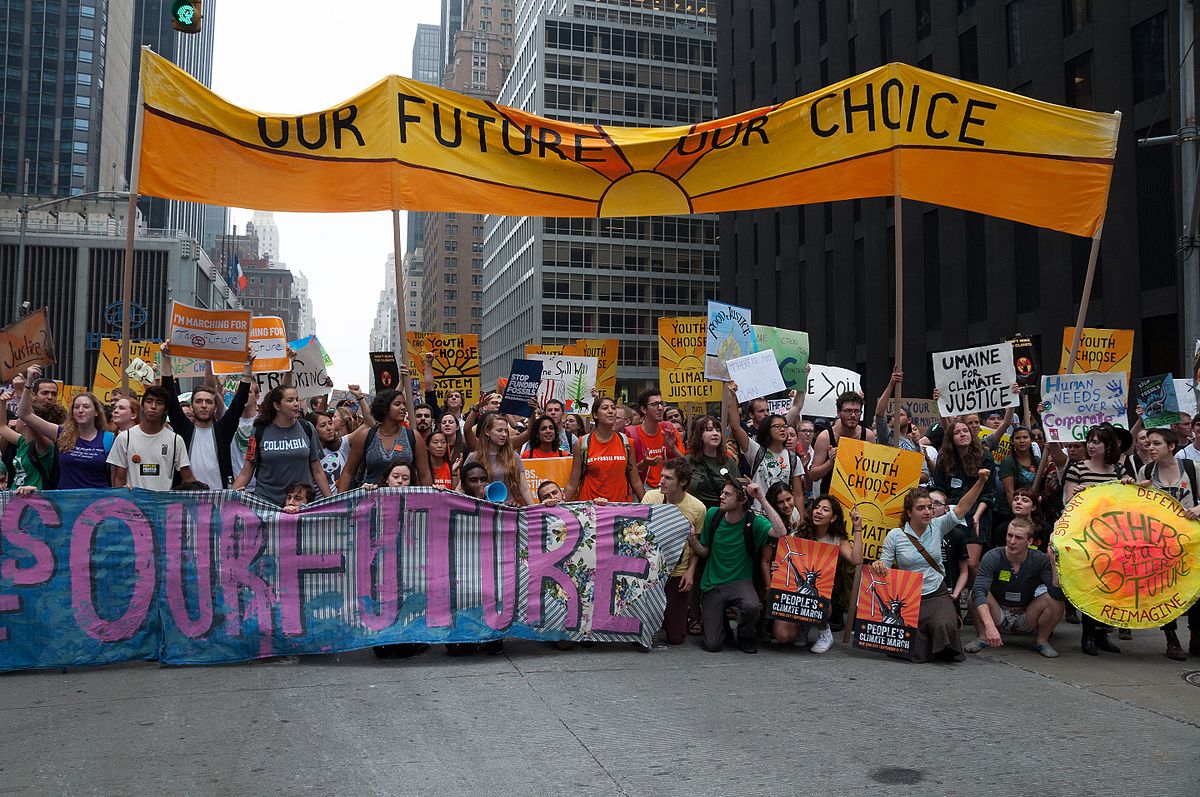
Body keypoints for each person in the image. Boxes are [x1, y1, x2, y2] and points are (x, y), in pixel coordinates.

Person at [872, 468, 992, 663]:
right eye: (921, 508)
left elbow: (963, 507)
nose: (927, 511)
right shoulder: (895, 535)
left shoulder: (938, 526)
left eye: (929, 507)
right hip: (908, 596)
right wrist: (878, 565)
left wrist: (980, 481)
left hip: (936, 592)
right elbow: (884, 567)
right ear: (909, 512)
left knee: (945, 625)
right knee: (913, 640)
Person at [687, 476, 786, 654]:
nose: (721, 497)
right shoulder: (713, 514)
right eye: (722, 492)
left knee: (751, 606)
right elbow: (704, 552)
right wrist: (693, 539)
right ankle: (721, 625)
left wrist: (762, 498)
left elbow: (780, 532)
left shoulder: (753, 521)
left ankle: (745, 635)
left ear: (742, 500)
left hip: (740, 582)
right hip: (713, 584)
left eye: (728, 494)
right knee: (713, 645)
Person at [764, 492, 863, 653]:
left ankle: (825, 633)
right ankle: (804, 625)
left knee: (820, 601)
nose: (818, 512)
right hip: (794, 595)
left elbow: (856, 559)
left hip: (822, 598)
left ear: (833, 518)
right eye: (817, 507)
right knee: (782, 637)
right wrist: (777, 566)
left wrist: (857, 527)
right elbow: (785, 562)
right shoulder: (798, 534)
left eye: (825, 510)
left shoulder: (837, 539)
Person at [1132, 428, 1200, 659]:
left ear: (1171, 447)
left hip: (1191, 542)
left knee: (1195, 590)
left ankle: (1196, 635)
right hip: (1159, 544)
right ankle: (1171, 639)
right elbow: (1137, 508)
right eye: (1148, 444)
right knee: (1167, 591)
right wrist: (1136, 490)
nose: (1150, 448)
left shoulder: (1192, 468)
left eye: (1156, 444)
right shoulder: (1146, 470)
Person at [1062, 423, 1130, 655]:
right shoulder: (1077, 468)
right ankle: (1088, 634)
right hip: (1087, 536)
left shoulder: (1118, 471)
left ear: (1108, 445)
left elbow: (1127, 499)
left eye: (1097, 442)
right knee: (1091, 584)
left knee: (1110, 585)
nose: (1091, 446)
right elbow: (1068, 502)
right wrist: (1085, 493)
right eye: (1089, 441)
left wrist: (1129, 485)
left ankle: (1102, 634)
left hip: (1113, 537)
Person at [965, 518, 1066, 658]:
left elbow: (1057, 594)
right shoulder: (992, 556)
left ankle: (1042, 641)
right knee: (974, 594)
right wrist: (989, 626)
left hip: (1026, 614)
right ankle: (982, 637)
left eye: (1018, 537)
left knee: (1054, 601)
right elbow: (979, 591)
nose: (1012, 541)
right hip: (997, 613)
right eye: (1009, 535)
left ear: (1029, 541)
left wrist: (1053, 563)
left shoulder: (1040, 559)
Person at [161, 345, 255, 490]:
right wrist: (166, 358)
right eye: (198, 401)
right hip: (188, 500)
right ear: (192, 406)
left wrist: (248, 365)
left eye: (209, 401)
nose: (204, 405)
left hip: (219, 500)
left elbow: (239, 401)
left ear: (215, 406)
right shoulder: (184, 429)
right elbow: (170, 397)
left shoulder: (223, 431)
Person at [641, 458, 705, 645]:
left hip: (677, 572)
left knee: (676, 638)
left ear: (683, 482)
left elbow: (697, 546)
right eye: (662, 476)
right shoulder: (651, 497)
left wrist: (690, 571)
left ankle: (673, 614)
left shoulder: (698, 508)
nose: (661, 481)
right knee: (641, 635)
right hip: (651, 571)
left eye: (668, 478)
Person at [232, 386, 331, 505]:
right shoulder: (259, 431)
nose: (296, 404)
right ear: (277, 406)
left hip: (300, 504)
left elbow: (318, 470)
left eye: (297, 399)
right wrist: (228, 498)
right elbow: (246, 471)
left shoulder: (307, 428)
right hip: (267, 504)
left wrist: (331, 501)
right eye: (290, 400)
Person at [16, 366, 111, 490]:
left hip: (97, 505)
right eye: (76, 407)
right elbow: (25, 414)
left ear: (97, 412)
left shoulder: (109, 439)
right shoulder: (61, 433)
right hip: (67, 503)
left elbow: (116, 478)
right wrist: (28, 383)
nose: (80, 410)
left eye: (86, 406)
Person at [724, 382, 804, 516]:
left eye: (784, 426)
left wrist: (801, 522)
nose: (782, 429)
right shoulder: (756, 451)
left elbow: (798, 494)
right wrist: (732, 396)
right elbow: (736, 427)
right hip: (760, 516)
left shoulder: (793, 458)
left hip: (785, 516)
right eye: (777, 427)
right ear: (768, 430)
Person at [338, 383, 432, 492]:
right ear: (385, 408)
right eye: (397, 404)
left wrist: (430, 503)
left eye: (404, 404)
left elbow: (424, 475)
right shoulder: (366, 436)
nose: (403, 408)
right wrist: (340, 503)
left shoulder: (414, 437)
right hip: (371, 502)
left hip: (403, 502)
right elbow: (348, 472)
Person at [933, 419, 994, 586]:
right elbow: (940, 489)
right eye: (957, 432)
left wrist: (977, 516)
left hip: (977, 514)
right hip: (950, 515)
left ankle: (974, 597)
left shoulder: (985, 456)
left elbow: (988, 493)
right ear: (951, 438)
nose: (963, 434)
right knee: (953, 561)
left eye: (965, 431)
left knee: (972, 564)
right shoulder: (944, 459)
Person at [108, 384, 193, 490]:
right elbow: (119, 479)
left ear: (165, 409)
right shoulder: (125, 438)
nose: (153, 406)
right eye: (149, 401)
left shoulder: (176, 440)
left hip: (163, 503)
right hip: (134, 504)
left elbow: (187, 477)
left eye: (159, 403)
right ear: (142, 406)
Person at [565, 396, 644, 502]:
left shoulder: (627, 442)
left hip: (620, 508)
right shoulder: (582, 443)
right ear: (595, 415)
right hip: (591, 509)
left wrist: (650, 507)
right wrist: (559, 507)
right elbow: (572, 483)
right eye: (605, 408)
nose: (611, 411)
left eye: (613, 408)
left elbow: (636, 482)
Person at [808, 390, 876, 495]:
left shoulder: (868, 436)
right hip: (831, 499)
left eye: (857, 411)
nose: (853, 415)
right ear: (839, 413)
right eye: (848, 411)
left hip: (858, 497)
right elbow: (813, 475)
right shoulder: (825, 437)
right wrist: (830, 462)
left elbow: (874, 472)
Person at [0, 389, 65, 490]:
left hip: (34, 501)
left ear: (27, 422)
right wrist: (2, 402)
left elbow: (27, 415)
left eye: (19, 417)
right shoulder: (22, 441)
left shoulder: (43, 446)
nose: (16, 420)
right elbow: (2, 427)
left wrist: (25, 387)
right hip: (17, 499)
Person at [466, 413, 533, 506]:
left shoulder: (513, 456)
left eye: (506, 431)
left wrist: (533, 509)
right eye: (499, 430)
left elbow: (524, 487)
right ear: (487, 432)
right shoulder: (474, 457)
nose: (504, 434)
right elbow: (461, 487)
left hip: (509, 509)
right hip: (484, 509)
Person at [628, 388, 683, 489]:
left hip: (669, 487)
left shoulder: (669, 429)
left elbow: (685, 462)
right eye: (654, 404)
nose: (661, 408)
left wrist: (672, 447)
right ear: (644, 409)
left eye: (661, 403)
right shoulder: (631, 434)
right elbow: (628, 471)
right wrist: (644, 463)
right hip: (642, 488)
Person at [684, 414, 740, 510]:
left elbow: (738, 491)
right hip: (696, 513)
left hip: (722, 515)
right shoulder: (688, 461)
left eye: (718, 430)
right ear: (700, 435)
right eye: (709, 430)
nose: (715, 433)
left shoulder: (729, 461)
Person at [308, 411, 351, 494]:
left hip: (342, 502)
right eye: (323, 426)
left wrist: (360, 398)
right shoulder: (308, 454)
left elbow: (368, 424)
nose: (329, 428)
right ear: (313, 429)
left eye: (330, 423)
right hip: (320, 504)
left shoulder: (342, 444)